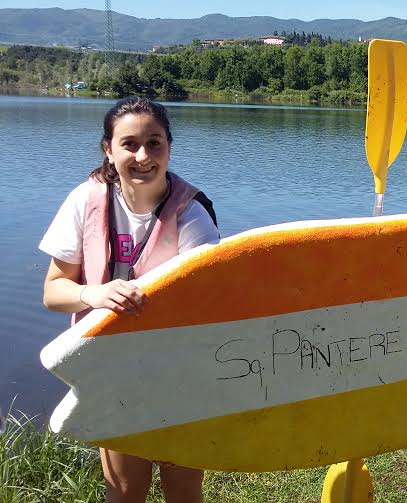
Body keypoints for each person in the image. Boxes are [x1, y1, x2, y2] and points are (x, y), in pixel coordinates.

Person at [40, 96, 219, 503]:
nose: (143, 156)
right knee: (123, 491)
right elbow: (53, 292)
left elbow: (208, 301)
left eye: (154, 143)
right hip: (111, 369)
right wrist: (93, 294)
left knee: (184, 491)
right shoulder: (85, 201)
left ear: (169, 147)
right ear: (108, 149)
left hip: (180, 371)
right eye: (129, 144)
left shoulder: (191, 213)